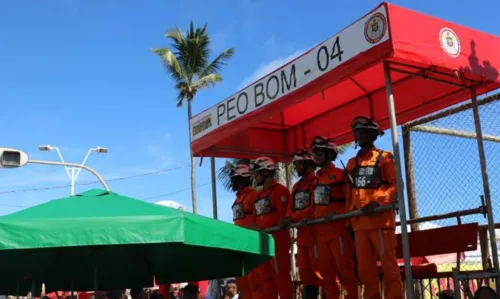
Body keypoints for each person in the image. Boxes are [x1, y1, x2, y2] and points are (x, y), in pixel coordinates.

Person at [345, 116, 403, 299]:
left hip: (381, 222)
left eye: (362, 131)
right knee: (365, 271)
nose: (359, 135)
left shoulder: (385, 158)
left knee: (389, 269)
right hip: (359, 226)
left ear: (373, 134)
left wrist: (378, 202)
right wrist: (348, 222)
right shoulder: (351, 164)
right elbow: (349, 195)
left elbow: (396, 186)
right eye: (356, 132)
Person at [309, 136, 359, 299]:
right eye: (314, 152)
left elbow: (352, 201)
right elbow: (313, 206)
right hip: (321, 235)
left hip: (339, 233)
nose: (315, 155)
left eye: (319, 152)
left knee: (347, 274)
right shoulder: (315, 180)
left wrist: (336, 214)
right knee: (327, 277)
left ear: (330, 154)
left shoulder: (340, 175)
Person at [280, 149, 321, 299]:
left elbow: (315, 207)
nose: (296, 167)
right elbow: (290, 210)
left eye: (298, 164)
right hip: (302, 236)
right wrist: (288, 218)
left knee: (322, 273)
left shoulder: (317, 182)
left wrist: (293, 217)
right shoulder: (296, 187)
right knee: (305, 275)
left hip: (316, 235)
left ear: (308, 164)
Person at [250, 156, 293, 299]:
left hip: (278, 241)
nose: (255, 177)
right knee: (266, 279)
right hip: (263, 243)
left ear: (266, 172)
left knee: (281, 276)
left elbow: (283, 218)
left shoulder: (280, 191)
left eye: (257, 173)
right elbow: (256, 219)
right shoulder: (258, 196)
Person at [229, 164, 257, 299]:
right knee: (243, 283)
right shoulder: (238, 199)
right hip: (241, 247)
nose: (232, 182)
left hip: (252, 247)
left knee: (256, 283)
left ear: (241, 179)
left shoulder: (253, 196)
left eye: (234, 179)